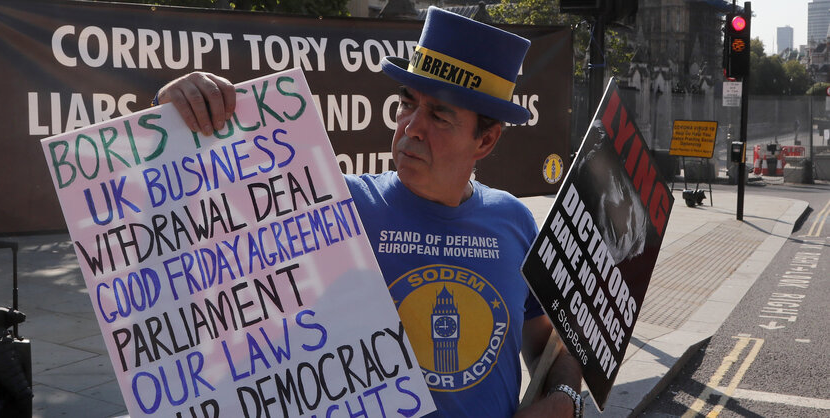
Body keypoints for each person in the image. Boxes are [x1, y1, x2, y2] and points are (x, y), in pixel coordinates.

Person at [156, 7, 583, 417]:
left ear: (485, 142)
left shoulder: (514, 221)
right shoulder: (337, 204)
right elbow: (202, 237)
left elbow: (548, 343)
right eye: (408, 102)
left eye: (439, 115)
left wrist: (565, 399)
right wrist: (175, 122)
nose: (411, 125)